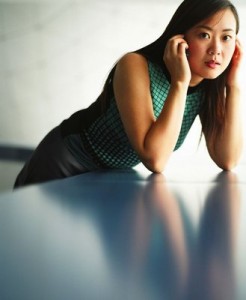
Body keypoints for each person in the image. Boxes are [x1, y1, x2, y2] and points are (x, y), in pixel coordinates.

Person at [14, 0, 243, 188]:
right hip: (66, 160)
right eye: (204, 35)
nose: (216, 49)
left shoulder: (208, 87)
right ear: (181, 38)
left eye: (226, 37)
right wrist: (180, 82)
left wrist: (233, 87)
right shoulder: (134, 65)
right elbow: (155, 158)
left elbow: (228, 159)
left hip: (114, 174)